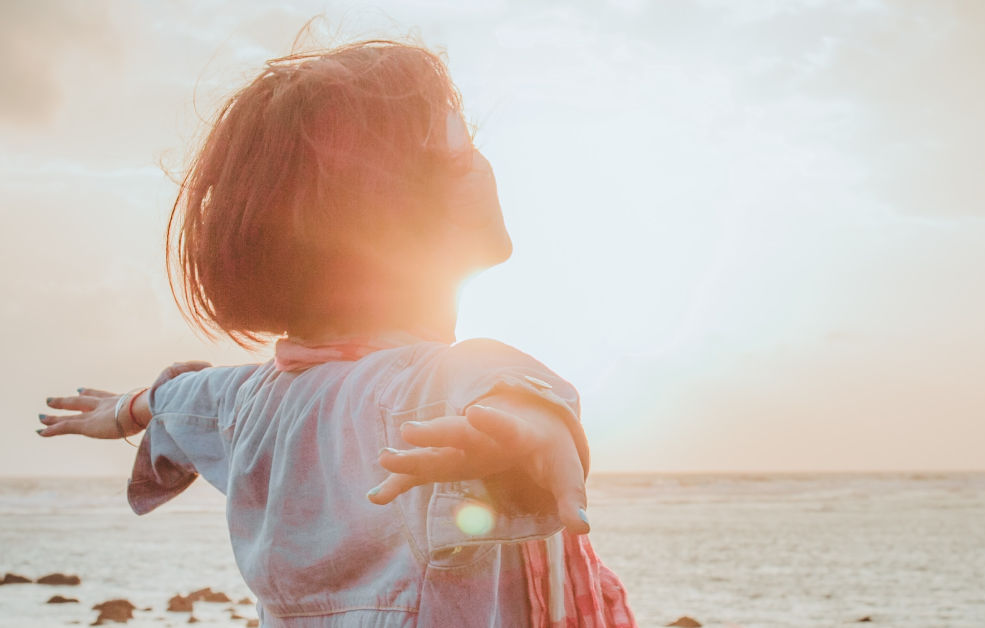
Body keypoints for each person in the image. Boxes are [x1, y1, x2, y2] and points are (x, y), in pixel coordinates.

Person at [37, 39, 634, 627]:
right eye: (460, 150)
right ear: (395, 212)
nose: (481, 163)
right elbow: (494, 385)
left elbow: (180, 402)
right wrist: (530, 427)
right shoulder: (427, 385)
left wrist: (124, 410)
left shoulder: (249, 401)